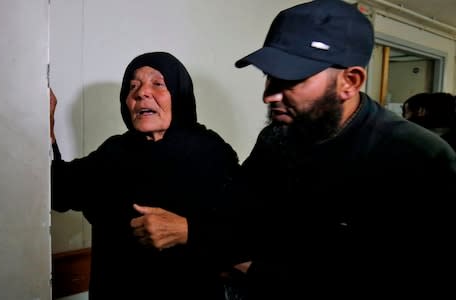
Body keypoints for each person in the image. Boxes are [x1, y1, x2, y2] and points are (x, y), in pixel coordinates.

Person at [129, 1, 456, 298]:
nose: (269, 95)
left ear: (350, 82)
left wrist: (256, 270)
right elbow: (241, 216)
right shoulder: (278, 138)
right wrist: (194, 231)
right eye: (270, 77)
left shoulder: (419, 159)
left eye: (290, 80)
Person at [50, 51, 240, 300]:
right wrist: (46, 127)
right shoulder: (114, 152)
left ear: (179, 95)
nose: (141, 93)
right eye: (133, 86)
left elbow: (240, 230)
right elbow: (59, 190)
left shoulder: (212, 153)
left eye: (158, 84)